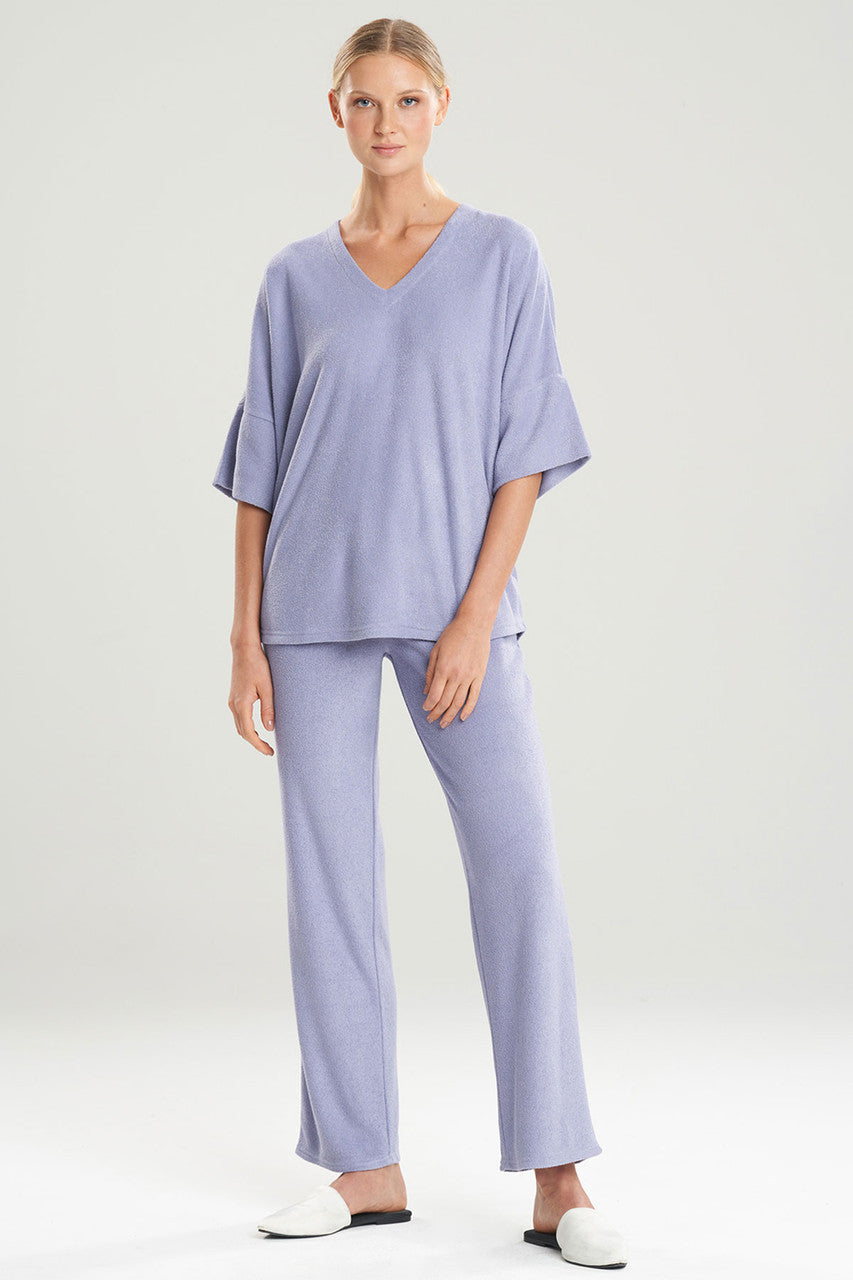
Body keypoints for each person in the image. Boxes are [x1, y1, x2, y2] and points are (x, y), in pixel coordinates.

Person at [212, 17, 628, 1270]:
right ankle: (362, 1165)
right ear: (333, 112)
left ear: (441, 105)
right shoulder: (295, 277)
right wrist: (243, 635)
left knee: (520, 870)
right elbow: (259, 468)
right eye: (363, 100)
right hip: (310, 613)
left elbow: (524, 450)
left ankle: (559, 1174)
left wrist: (472, 617)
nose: (384, 122)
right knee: (332, 888)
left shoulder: (502, 255)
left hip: (457, 614)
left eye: (405, 99)